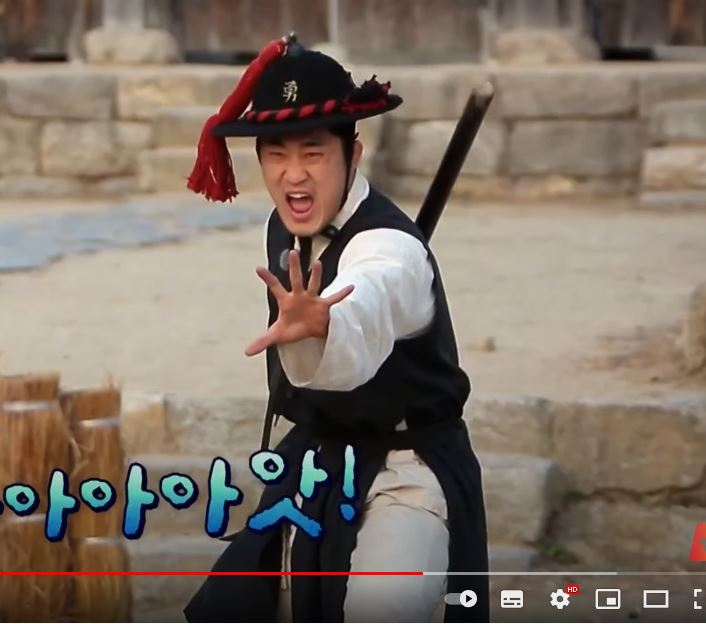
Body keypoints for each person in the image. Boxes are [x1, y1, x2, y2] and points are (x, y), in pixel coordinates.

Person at [183, 34, 489, 623]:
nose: (293, 175)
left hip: (405, 470)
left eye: (313, 152)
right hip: (319, 459)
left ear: (354, 152)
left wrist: (324, 326)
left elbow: (371, 294)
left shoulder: (393, 250)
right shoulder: (282, 226)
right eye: (276, 154)